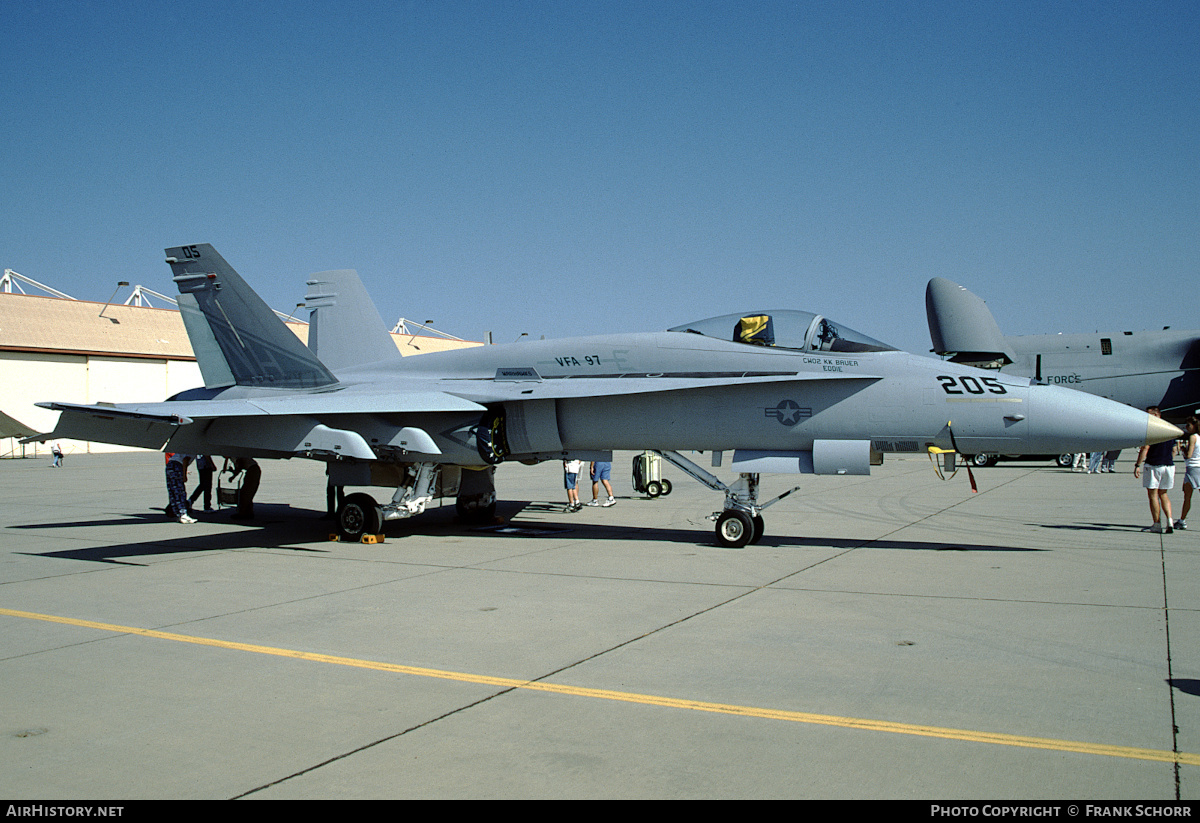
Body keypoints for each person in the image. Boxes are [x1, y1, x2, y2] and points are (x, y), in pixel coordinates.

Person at [1134, 406, 1175, 533]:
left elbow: (1145, 448)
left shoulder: (1151, 429)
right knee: (1163, 494)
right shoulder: (1169, 428)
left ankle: (1157, 524)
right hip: (1168, 465)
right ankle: (1169, 521)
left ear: (1157, 415)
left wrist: (1137, 465)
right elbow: (1174, 449)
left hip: (1153, 465)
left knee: (1153, 495)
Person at [1175, 417, 1199, 531]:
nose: (1186, 427)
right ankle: (1181, 520)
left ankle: (1182, 520)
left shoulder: (1193, 437)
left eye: (1188, 425)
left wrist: (1184, 449)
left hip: (1193, 468)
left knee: (1187, 497)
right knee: (1187, 495)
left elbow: (1189, 455)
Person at [165, 453, 197, 524]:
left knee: (173, 490)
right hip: (177, 465)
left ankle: (177, 513)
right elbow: (185, 460)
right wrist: (184, 475)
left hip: (170, 465)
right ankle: (183, 513)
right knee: (180, 491)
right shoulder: (193, 449)